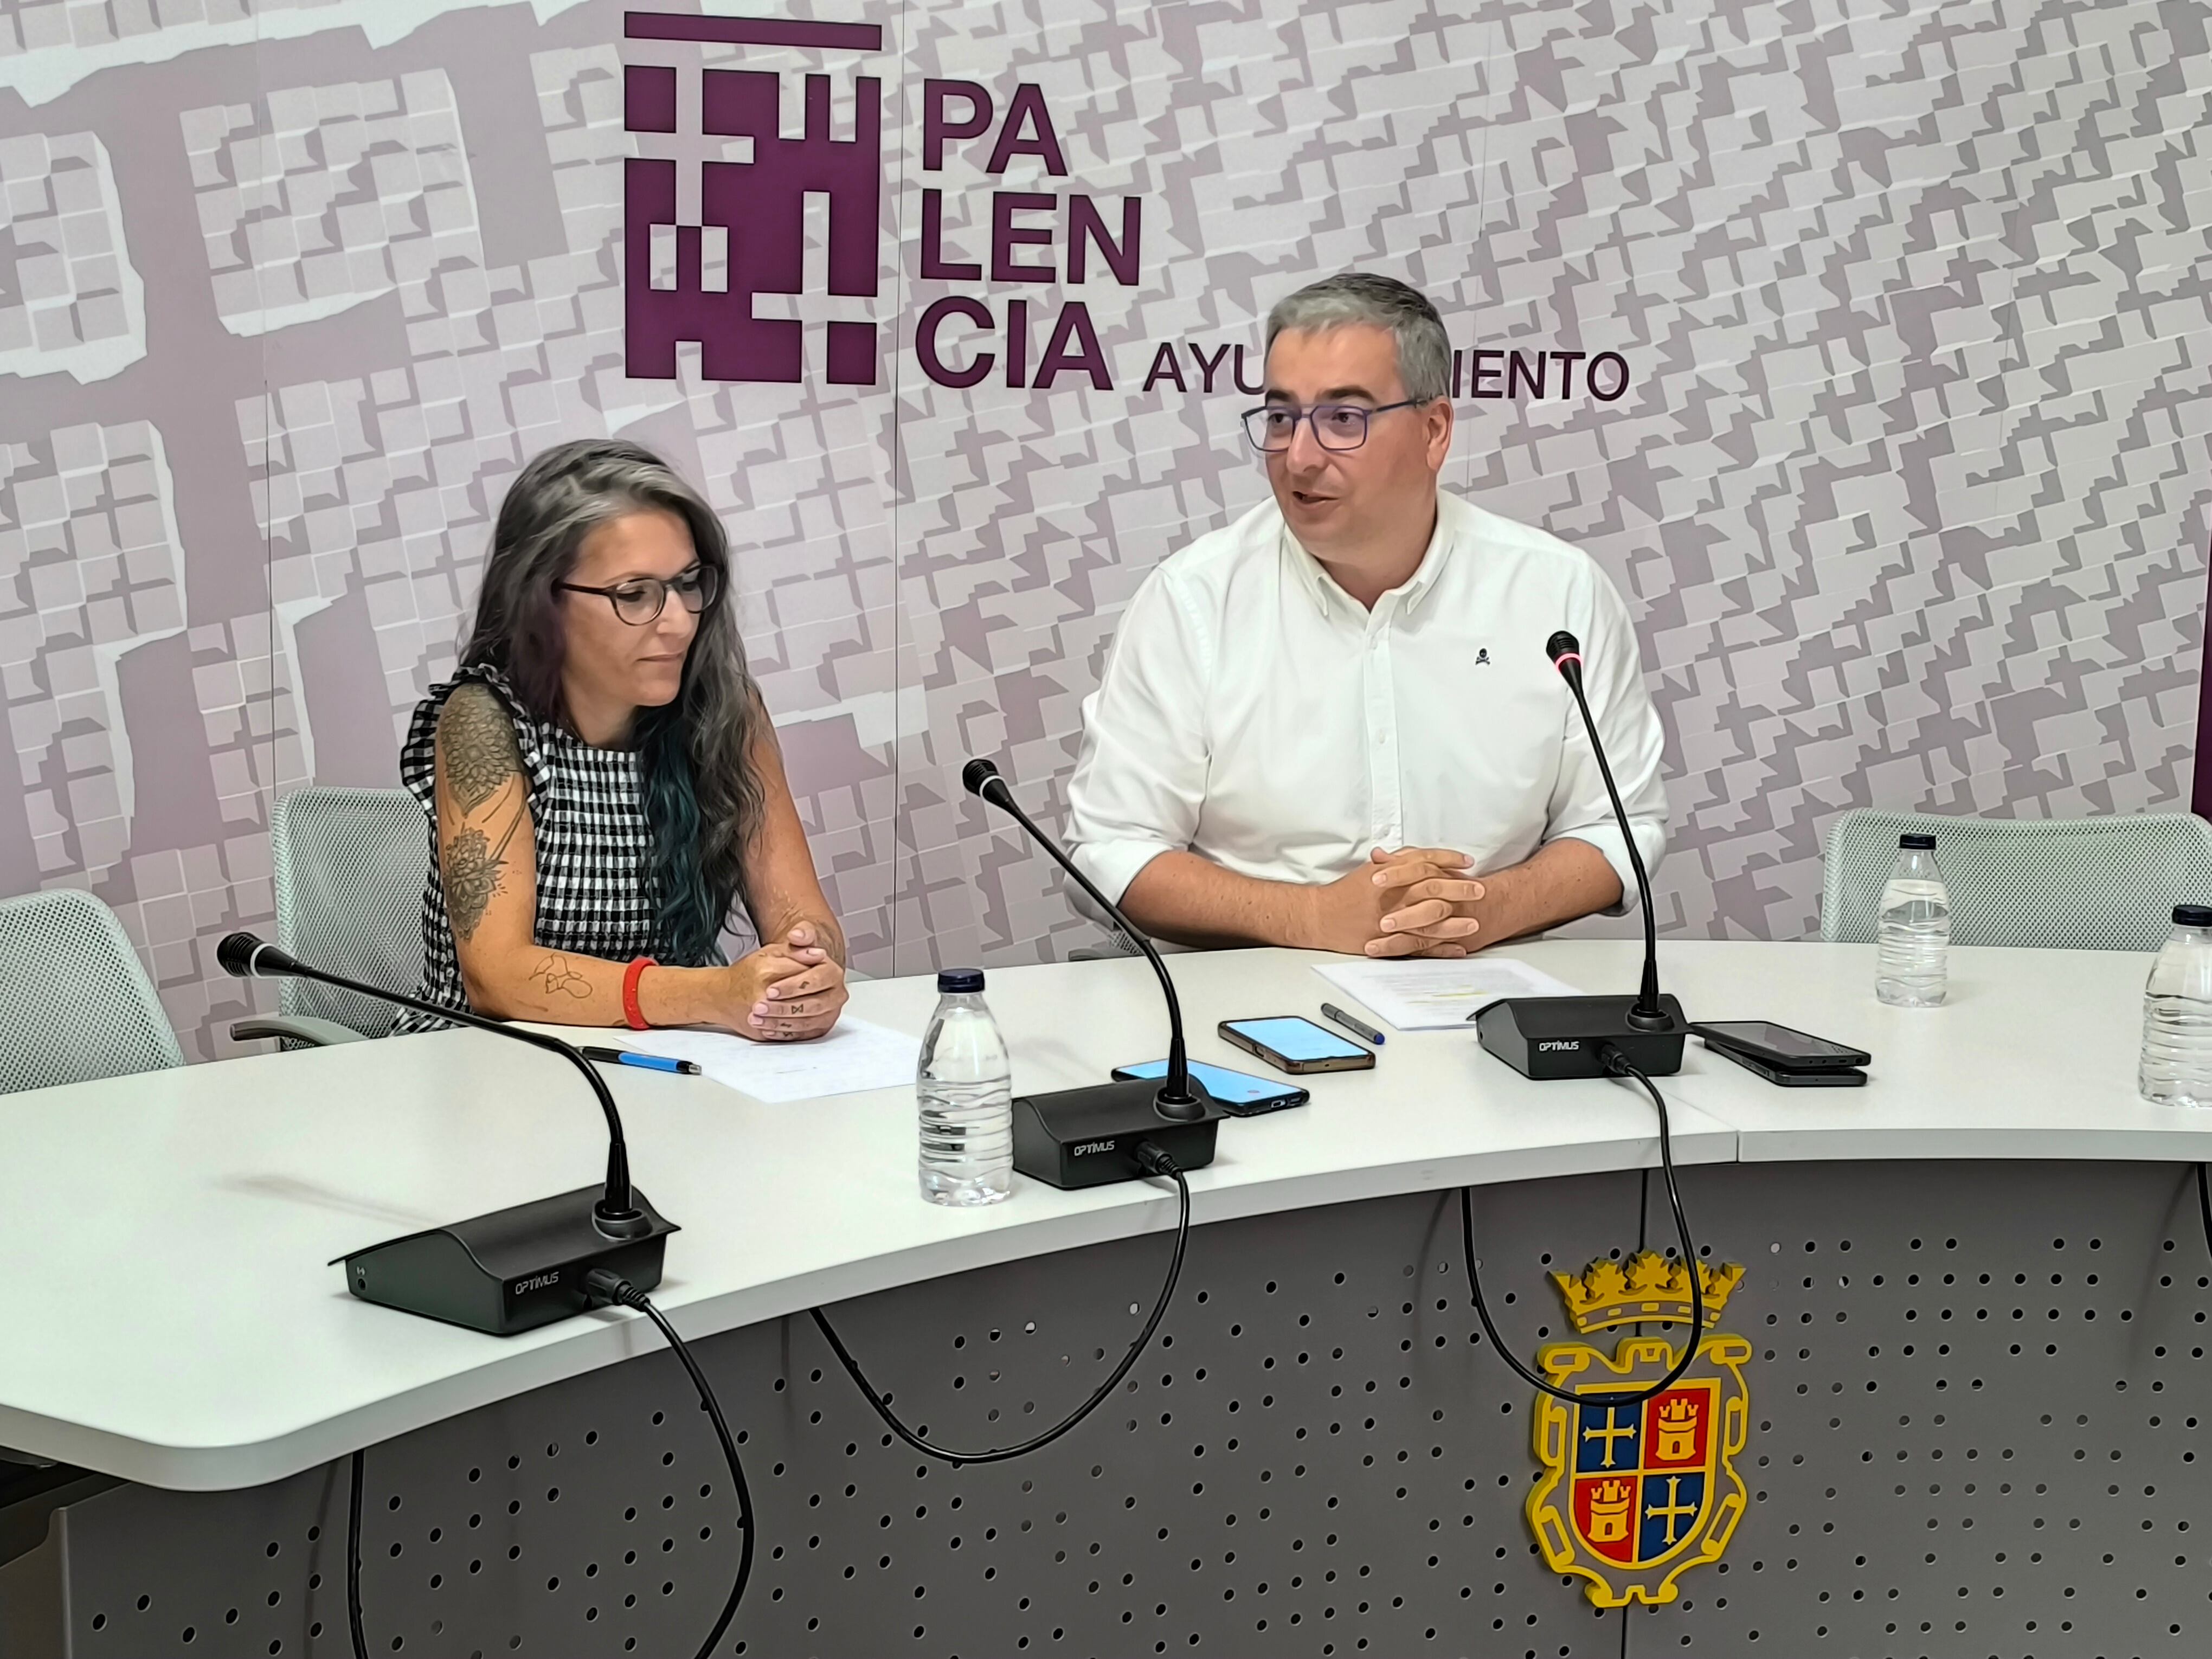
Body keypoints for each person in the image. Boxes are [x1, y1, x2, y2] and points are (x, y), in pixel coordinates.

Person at [1065, 273, 1667, 959]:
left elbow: (1622, 829)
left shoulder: (1558, 593)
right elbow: (1108, 851)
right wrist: (1311, 919)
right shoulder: (1194, 601)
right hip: (1242, 1007)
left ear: (1435, 430)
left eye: (1343, 420)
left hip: (1484, 996)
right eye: (1281, 417)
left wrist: (1481, 910)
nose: (1299, 456)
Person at [391, 438, 848, 1039]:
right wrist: (714, 992)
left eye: (688, 584)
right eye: (635, 594)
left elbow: (806, 918)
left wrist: (806, 968)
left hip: (669, 1057)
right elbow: (497, 979)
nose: (680, 620)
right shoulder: (483, 720)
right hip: (488, 1060)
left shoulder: (728, 714)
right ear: (542, 602)